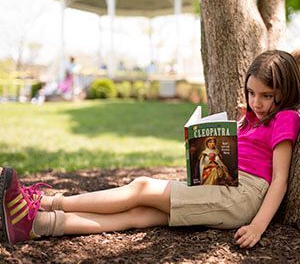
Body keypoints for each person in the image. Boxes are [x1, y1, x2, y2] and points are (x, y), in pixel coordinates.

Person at [0, 50, 299, 249]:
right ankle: (38, 225)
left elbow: (279, 180)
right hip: (224, 185)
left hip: (240, 197)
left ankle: (45, 203)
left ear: (285, 93)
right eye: (251, 93)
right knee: (138, 213)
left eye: (266, 95)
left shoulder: (286, 118)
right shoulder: (254, 117)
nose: (256, 102)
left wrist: (258, 227)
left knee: (142, 186)